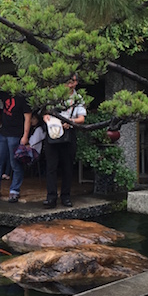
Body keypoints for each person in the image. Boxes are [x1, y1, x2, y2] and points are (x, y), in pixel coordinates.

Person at [43, 75, 86, 208]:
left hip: (68, 133)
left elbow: (82, 118)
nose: (69, 84)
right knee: (51, 167)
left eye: (72, 81)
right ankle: (51, 197)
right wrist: (47, 118)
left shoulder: (78, 98)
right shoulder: (54, 95)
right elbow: (46, 113)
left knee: (67, 167)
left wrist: (70, 122)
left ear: (76, 83)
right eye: (67, 81)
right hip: (53, 131)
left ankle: (66, 196)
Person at [0, 82, 31, 203]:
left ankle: (14, 191)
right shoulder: (5, 94)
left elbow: (28, 118)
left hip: (16, 134)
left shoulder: (23, 97)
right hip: (3, 134)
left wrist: (25, 136)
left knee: (15, 163)